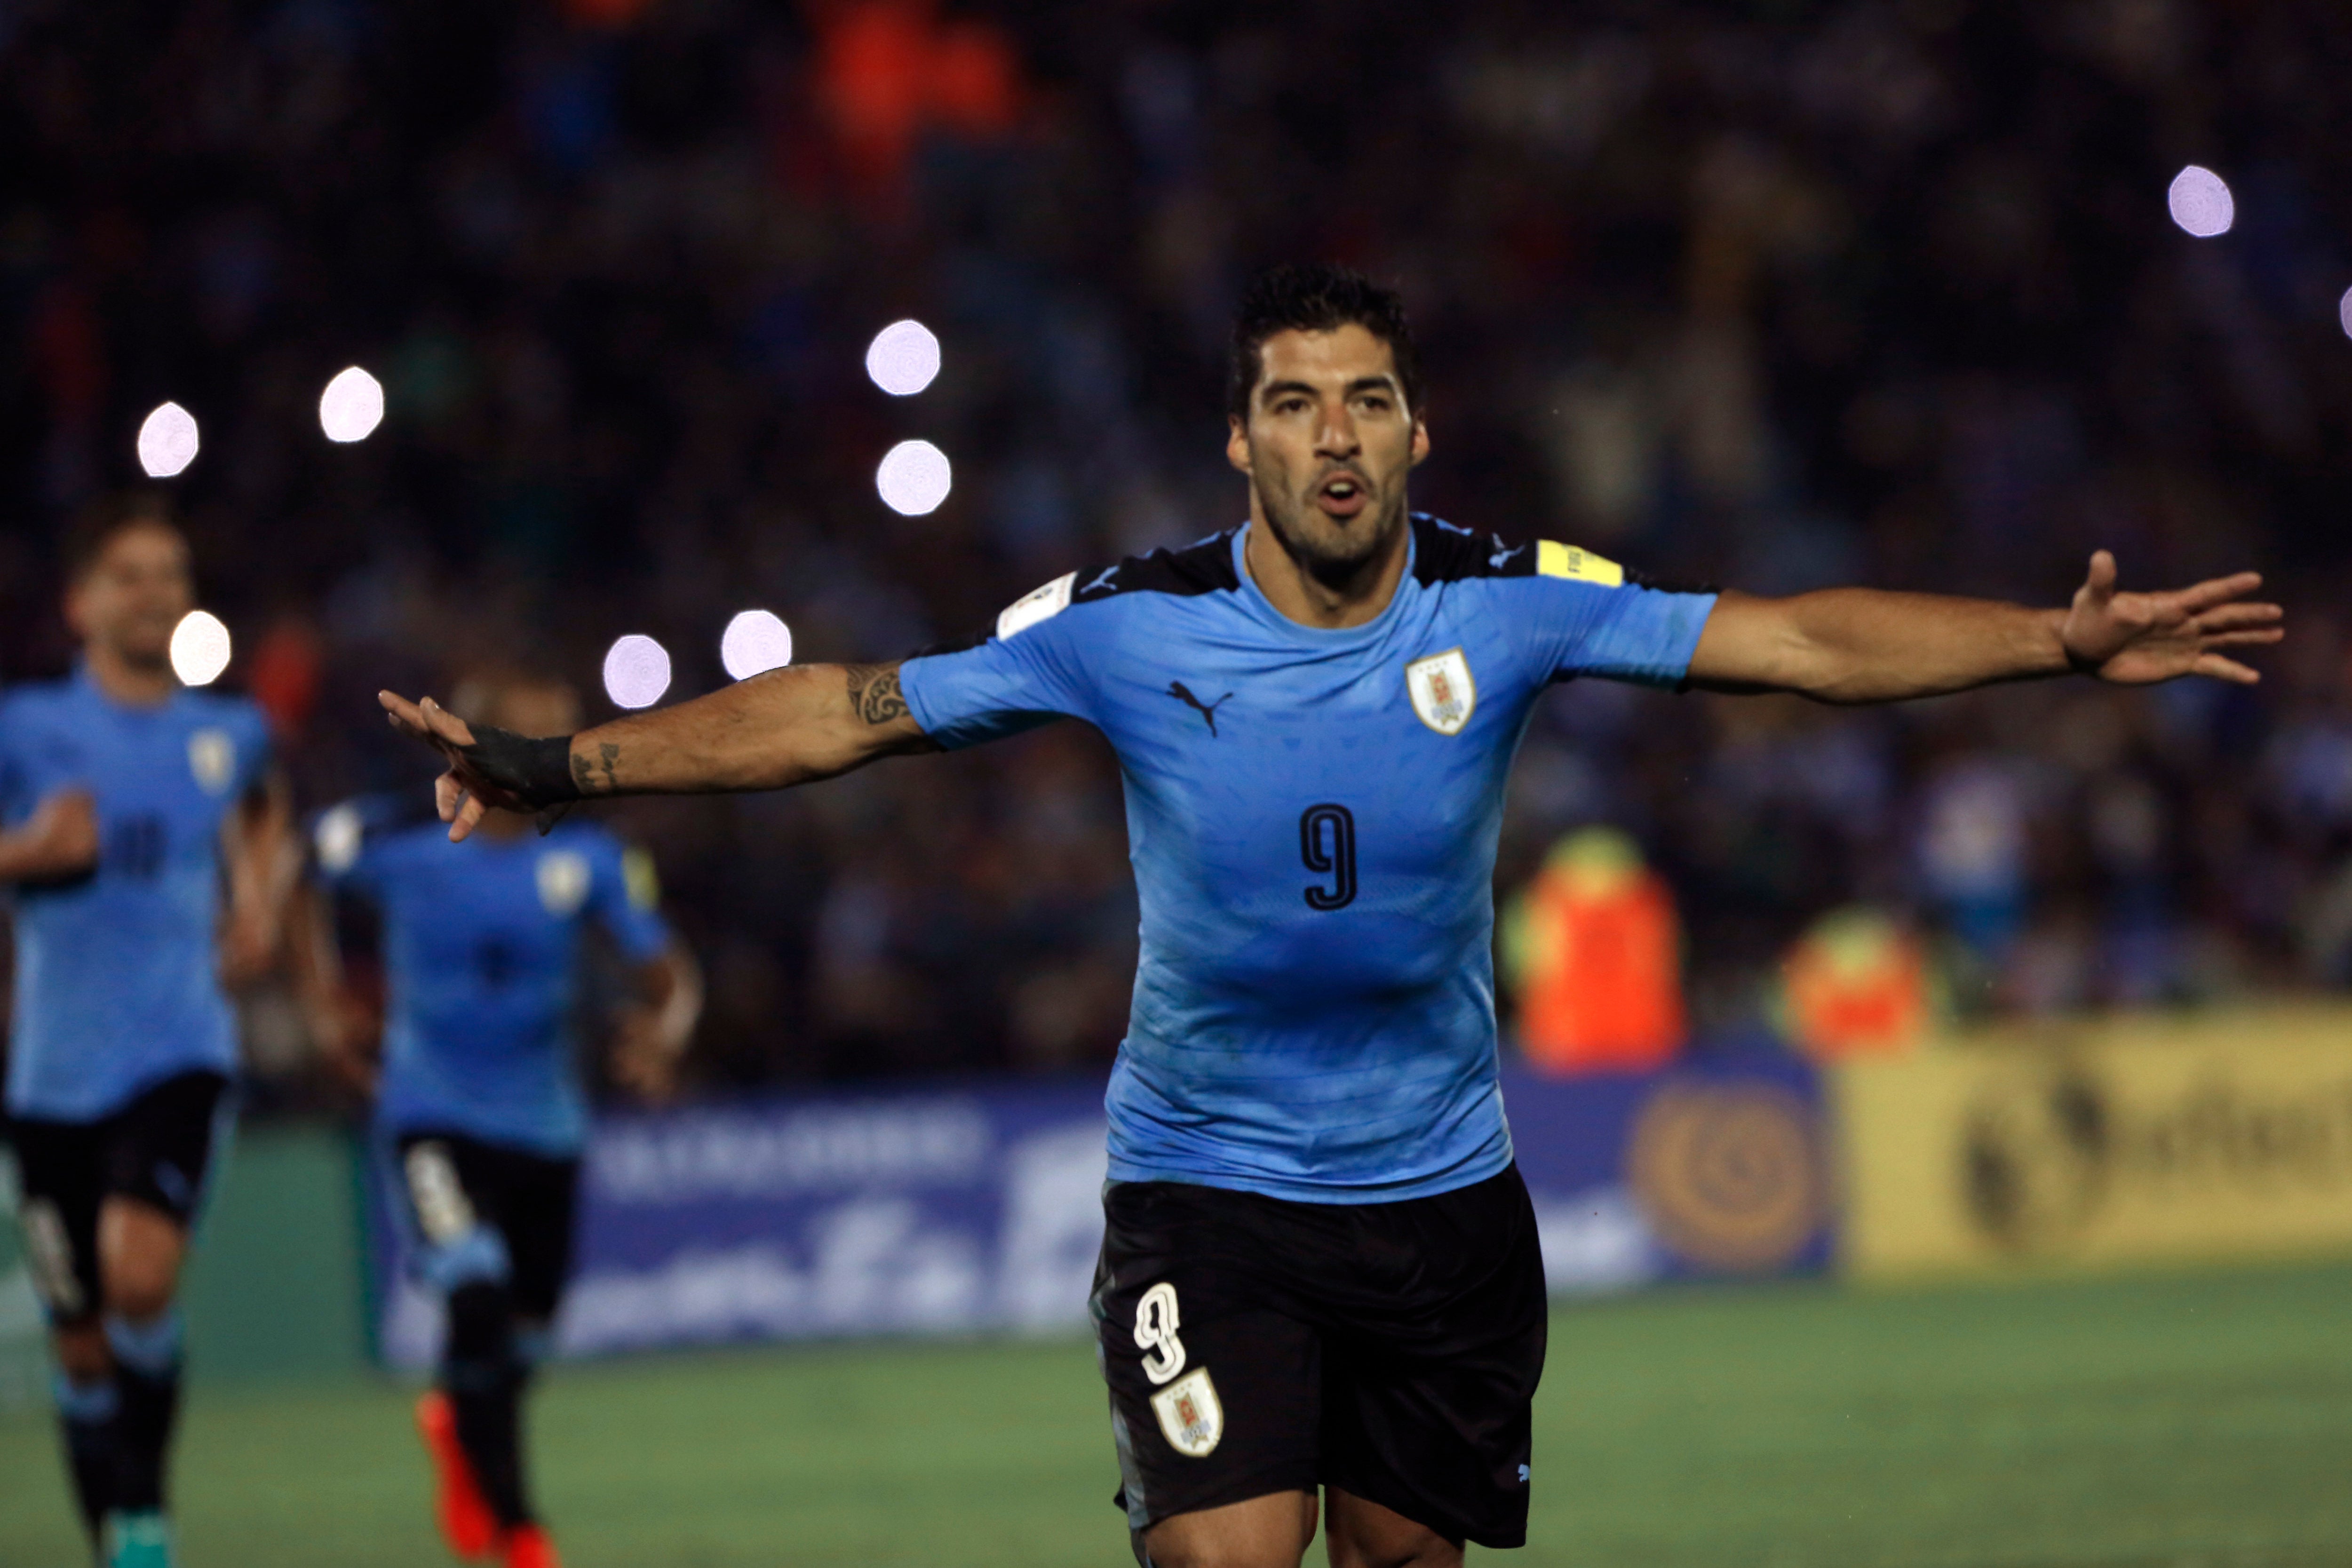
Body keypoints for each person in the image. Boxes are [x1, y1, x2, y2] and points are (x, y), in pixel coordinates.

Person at [374, 263, 2281, 1568]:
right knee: (1221, 1549)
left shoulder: (1512, 597)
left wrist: (2049, 640)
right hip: (1206, 1184)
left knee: (1397, 1555)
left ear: (1417, 432)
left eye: (1367, 399)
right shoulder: (1124, 629)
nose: (1335, 437)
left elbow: (1785, 640)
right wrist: (563, 762)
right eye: (1292, 404)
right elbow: (847, 710)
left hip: (1442, 1200)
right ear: (1241, 445)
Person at [302, 669, 700, 1568]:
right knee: (474, 1292)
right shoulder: (402, 834)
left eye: (561, 738)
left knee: (520, 1342)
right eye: (531, 737)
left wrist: (666, 1034)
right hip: (431, 1113)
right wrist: (321, 1000)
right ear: (477, 739)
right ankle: (519, 1529)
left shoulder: (589, 859)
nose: (549, 758)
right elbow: (294, 867)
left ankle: (455, 1424)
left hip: (546, 1127)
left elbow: (666, 969)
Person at [0, 500, 293, 1568]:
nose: (153, 591)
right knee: (81, 1351)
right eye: (128, 574)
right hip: (49, 1075)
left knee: (138, 1280)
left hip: (178, 1048)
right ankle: (117, 1540)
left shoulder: (226, 731)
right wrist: (26, 853)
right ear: (82, 601)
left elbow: (270, 813)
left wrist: (258, 899)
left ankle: (146, 1520)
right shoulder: (25, 728)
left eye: (169, 571)